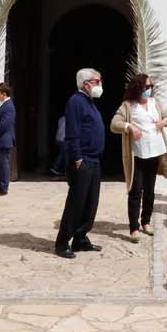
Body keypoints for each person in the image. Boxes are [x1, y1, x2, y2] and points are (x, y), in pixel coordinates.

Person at [111, 73, 167, 238]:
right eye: (146, 87)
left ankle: (146, 221)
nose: (149, 90)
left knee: (150, 191)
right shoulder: (128, 105)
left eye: (151, 86)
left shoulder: (156, 103)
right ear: (138, 87)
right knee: (135, 191)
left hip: (155, 153)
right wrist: (129, 126)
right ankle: (134, 228)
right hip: (137, 155)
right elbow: (114, 124)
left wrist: (163, 122)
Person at [53, 69, 106, 259]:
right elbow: (72, 131)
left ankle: (80, 238)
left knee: (90, 203)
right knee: (76, 203)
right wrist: (77, 158)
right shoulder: (76, 101)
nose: (100, 85)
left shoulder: (89, 102)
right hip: (82, 160)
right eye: (97, 81)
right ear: (86, 84)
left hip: (94, 159)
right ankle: (62, 242)